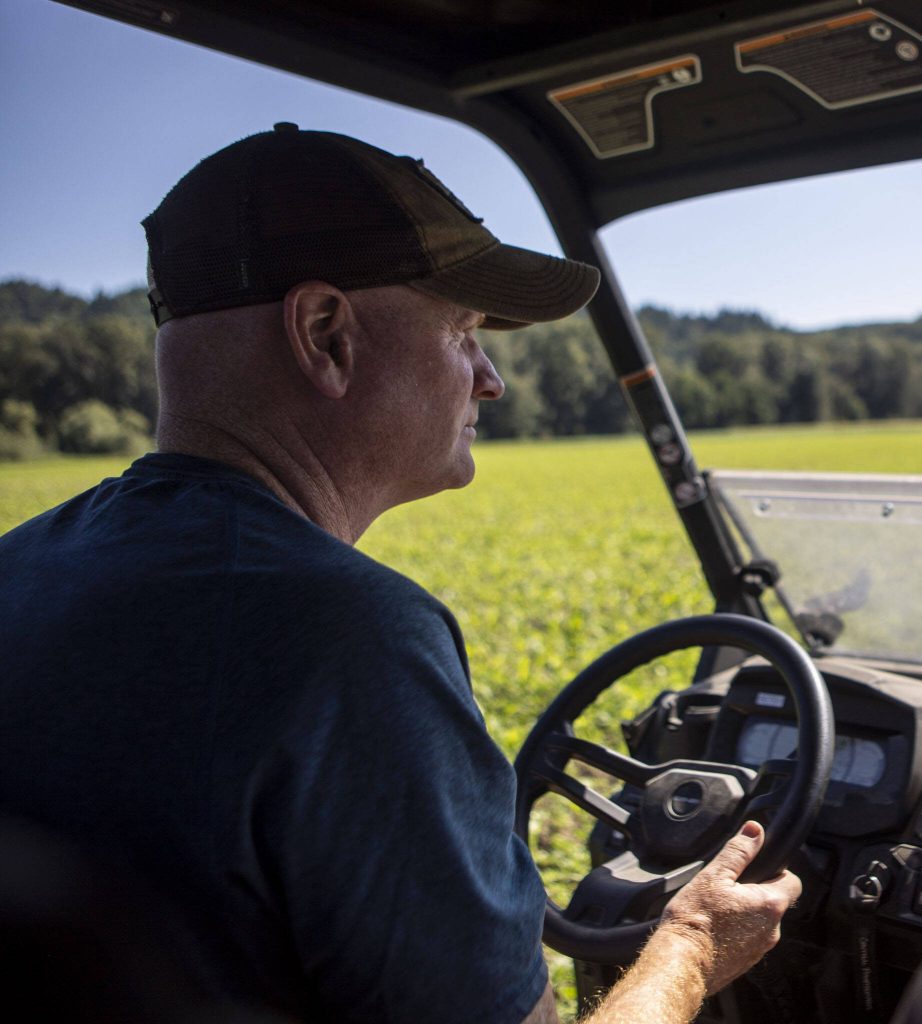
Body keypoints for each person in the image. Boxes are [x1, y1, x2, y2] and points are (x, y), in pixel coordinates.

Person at [0, 125, 800, 1024]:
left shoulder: (21, 568)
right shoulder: (349, 641)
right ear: (325, 334)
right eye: (463, 330)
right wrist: (689, 950)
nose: (490, 379)